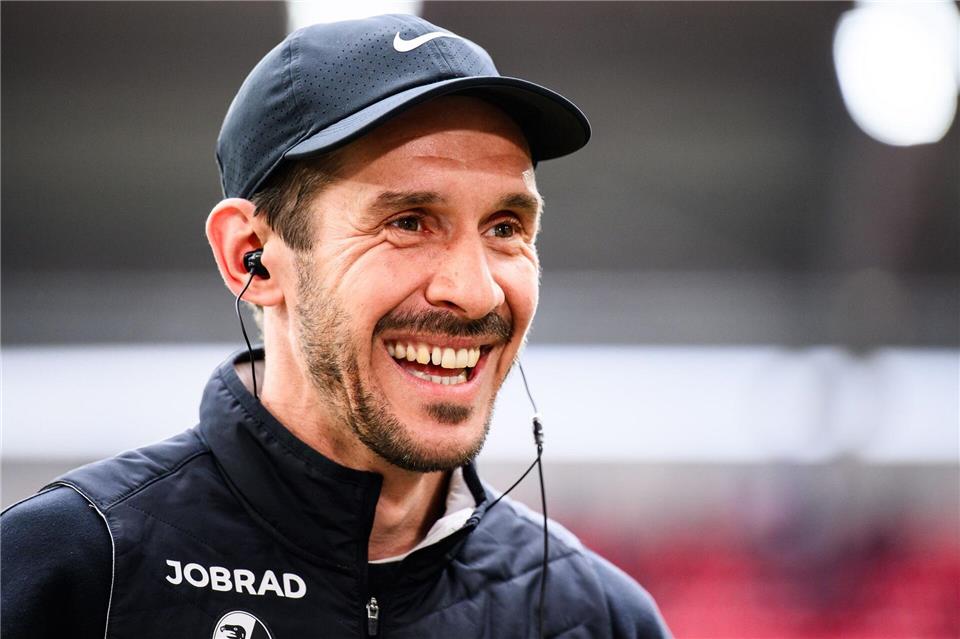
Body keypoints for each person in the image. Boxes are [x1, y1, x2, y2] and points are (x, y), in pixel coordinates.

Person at [1, 14, 671, 639]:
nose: (473, 290)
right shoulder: (81, 570)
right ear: (252, 259)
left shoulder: (597, 617)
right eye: (407, 221)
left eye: (505, 228)